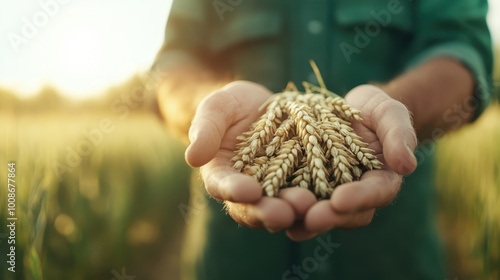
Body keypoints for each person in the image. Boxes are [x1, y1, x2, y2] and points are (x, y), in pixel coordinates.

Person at [153, 0, 493, 279]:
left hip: (390, 259)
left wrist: (399, 106)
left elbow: (461, 49)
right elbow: (172, 66)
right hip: (234, 263)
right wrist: (208, 106)